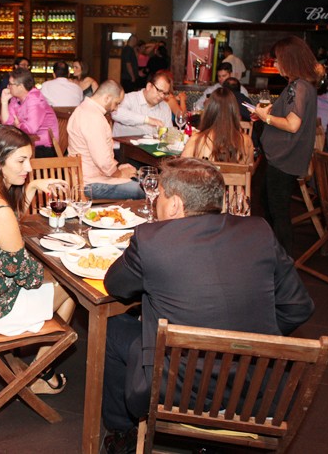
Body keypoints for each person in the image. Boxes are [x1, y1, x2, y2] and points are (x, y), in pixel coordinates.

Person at [101, 158, 314, 453]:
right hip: (256, 394)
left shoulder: (151, 240)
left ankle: (121, 431)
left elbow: (116, 285)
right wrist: (246, 341)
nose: (157, 201)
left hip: (175, 393)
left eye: (160, 195)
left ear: (175, 205)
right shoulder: (259, 231)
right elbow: (298, 307)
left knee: (113, 329)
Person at [0, 125, 75, 394]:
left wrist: (31, 188)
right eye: (21, 161)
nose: (28, 167)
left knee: (56, 280)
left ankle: (41, 367)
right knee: (71, 288)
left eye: (29, 159)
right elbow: (26, 276)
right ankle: (41, 371)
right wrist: (61, 268)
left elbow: (7, 229)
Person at [253, 36, 320, 255]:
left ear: (289, 60)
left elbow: (292, 124)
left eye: (277, 59)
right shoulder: (303, 85)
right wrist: (267, 114)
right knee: (269, 204)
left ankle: (284, 261)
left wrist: (266, 117)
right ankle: (275, 254)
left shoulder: (298, 87)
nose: (275, 64)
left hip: (284, 158)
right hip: (284, 157)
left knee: (278, 212)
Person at [67, 80, 144, 199]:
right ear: (107, 98)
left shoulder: (83, 108)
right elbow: (103, 161)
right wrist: (119, 174)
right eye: (116, 103)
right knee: (143, 189)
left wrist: (118, 168)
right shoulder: (93, 117)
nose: (116, 108)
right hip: (91, 183)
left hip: (87, 177)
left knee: (138, 178)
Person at [182, 87, 254, 164]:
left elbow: (182, 167)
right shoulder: (246, 141)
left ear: (208, 112)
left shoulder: (196, 140)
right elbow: (250, 169)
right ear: (234, 112)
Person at [0, 68, 58, 158]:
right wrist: (4, 102)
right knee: (1, 151)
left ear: (20, 86)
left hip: (44, 148)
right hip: (28, 144)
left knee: (6, 155)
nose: (8, 86)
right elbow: (6, 122)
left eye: (10, 84)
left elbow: (31, 129)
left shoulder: (35, 99)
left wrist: (18, 125)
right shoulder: (16, 99)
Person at [111, 71, 175, 138]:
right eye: (159, 91)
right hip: (124, 144)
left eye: (165, 93)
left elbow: (169, 134)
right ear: (149, 86)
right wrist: (147, 120)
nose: (162, 96)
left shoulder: (165, 107)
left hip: (153, 144)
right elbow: (115, 113)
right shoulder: (130, 98)